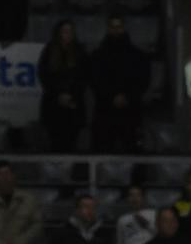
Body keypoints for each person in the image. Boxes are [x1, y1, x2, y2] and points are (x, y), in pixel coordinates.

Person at [89, 16, 150, 156]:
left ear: (124, 28)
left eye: (119, 27)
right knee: (102, 151)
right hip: (105, 111)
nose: (116, 30)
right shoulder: (97, 56)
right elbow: (95, 80)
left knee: (132, 152)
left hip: (131, 111)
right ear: (108, 29)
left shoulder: (138, 56)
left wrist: (127, 96)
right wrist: (111, 96)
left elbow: (143, 81)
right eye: (113, 27)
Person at [38, 21, 89, 157]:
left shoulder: (80, 52)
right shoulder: (49, 51)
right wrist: (58, 94)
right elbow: (44, 76)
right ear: (58, 33)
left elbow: (84, 77)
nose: (68, 34)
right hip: (53, 106)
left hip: (74, 106)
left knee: (71, 144)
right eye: (65, 31)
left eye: (70, 31)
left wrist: (71, 96)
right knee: (55, 144)